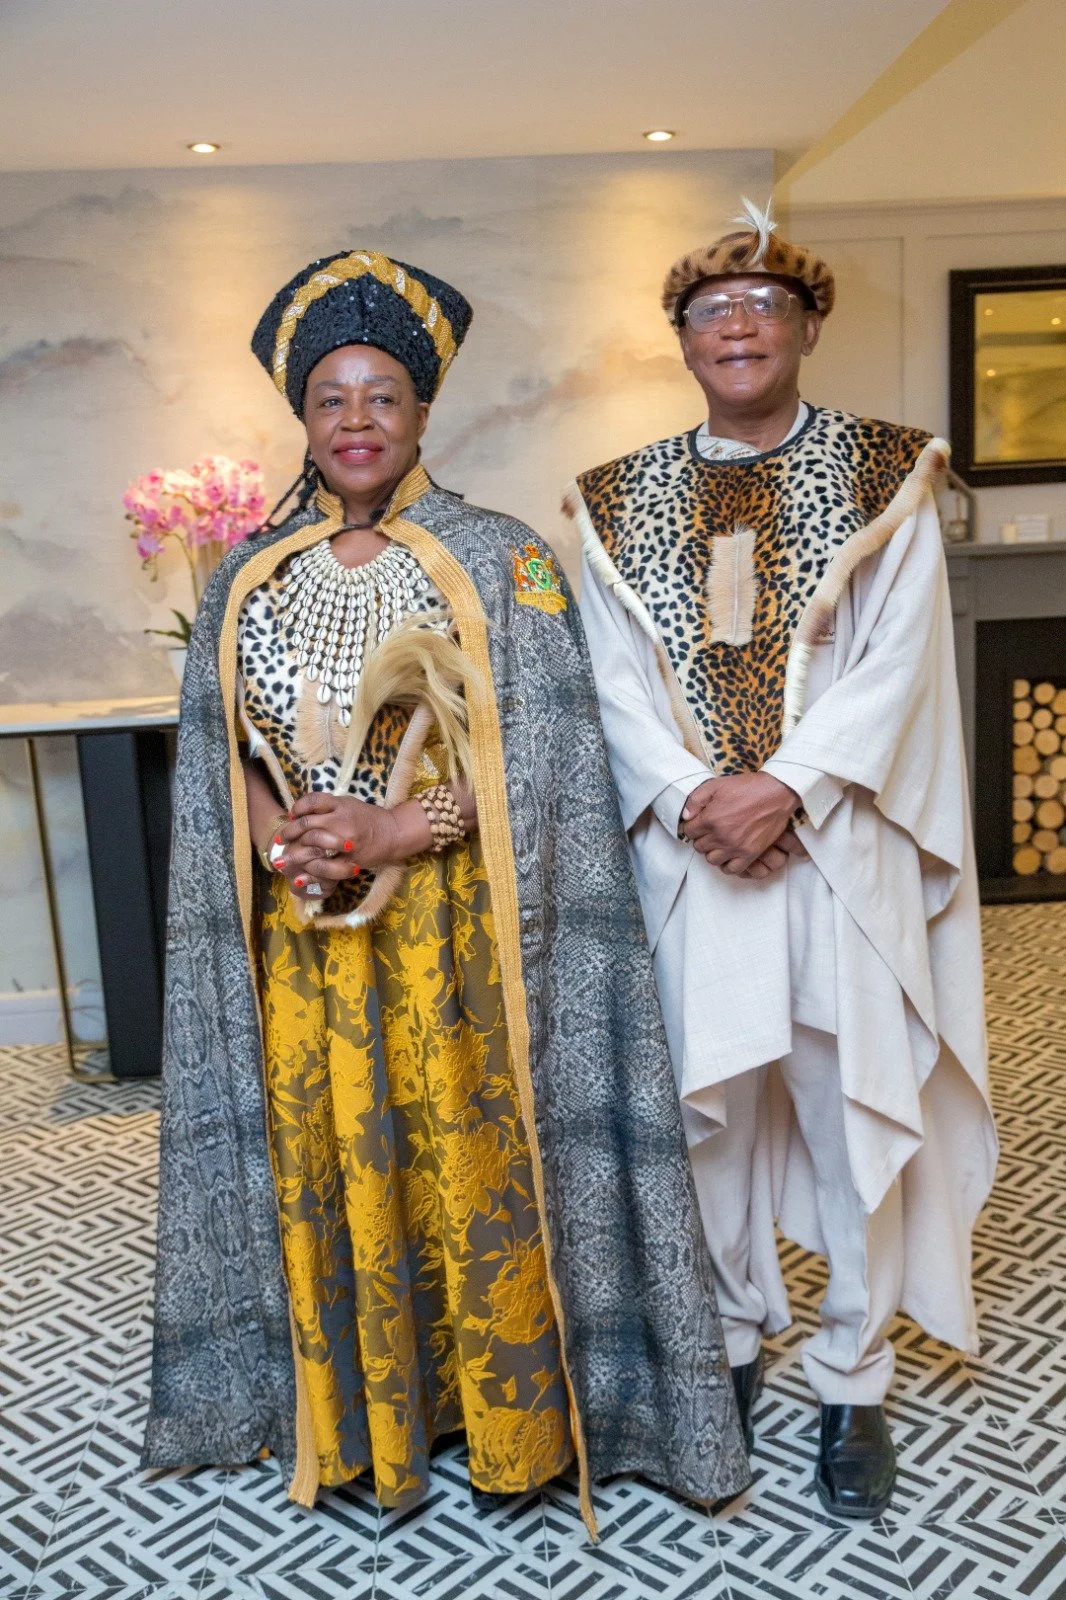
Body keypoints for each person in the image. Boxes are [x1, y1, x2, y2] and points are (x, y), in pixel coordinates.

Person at [142, 248, 749, 1531]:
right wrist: (288, 845)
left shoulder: (501, 558)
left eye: (383, 396)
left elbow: (550, 764)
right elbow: (220, 756)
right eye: (331, 398)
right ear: (302, 416)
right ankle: (367, 1415)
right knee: (330, 1159)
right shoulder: (248, 574)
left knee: (467, 1159)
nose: (356, 420)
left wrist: (398, 826)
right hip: (307, 942)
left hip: (461, 938)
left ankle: (504, 1420)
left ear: (423, 410)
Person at [567, 201, 997, 1520]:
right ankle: (735, 1339)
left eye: (765, 305)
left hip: (834, 852)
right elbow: (611, 681)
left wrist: (785, 790)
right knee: (709, 1115)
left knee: (845, 1109)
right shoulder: (614, 497)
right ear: (682, 342)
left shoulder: (887, 473)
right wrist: (695, 795)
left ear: (808, 327)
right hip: (695, 855)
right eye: (711, 311)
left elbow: (899, 666)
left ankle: (853, 1378)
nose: (738, 326)